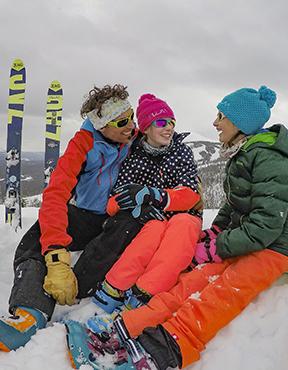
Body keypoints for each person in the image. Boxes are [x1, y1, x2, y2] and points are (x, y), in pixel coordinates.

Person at [67, 85, 288, 370]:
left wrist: (217, 245)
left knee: (219, 293)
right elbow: (234, 208)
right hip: (249, 240)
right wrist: (217, 232)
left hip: (276, 250)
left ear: (240, 122)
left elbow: (267, 225)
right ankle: (127, 326)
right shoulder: (245, 154)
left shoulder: (269, 157)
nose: (215, 122)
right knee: (191, 281)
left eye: (221, 115)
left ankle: (161, 350)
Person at [0, 84, 140, 352]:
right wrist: (55, 254)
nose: (130, 125)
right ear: (101, 126)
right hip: (86, 214)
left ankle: (81, 291)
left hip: (118, 217)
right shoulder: (84, 144)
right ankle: (29, 314)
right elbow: (55, 194)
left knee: (124, 230)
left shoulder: (135, 136)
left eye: (131, 116)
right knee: (34, 241)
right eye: (121, 121)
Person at [92, 93, 203, 313]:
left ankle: (146, 292)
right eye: (162, 122)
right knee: (153, 228)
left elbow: (191, 194)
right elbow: (113, 201)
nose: (169, 128)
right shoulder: (134, 155)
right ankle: (114, 287)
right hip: (153, 217)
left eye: (172, 122)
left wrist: (155, 195)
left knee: (181, 227)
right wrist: (136, 205)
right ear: (145, 127)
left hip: (183, 215)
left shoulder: (181, 152)